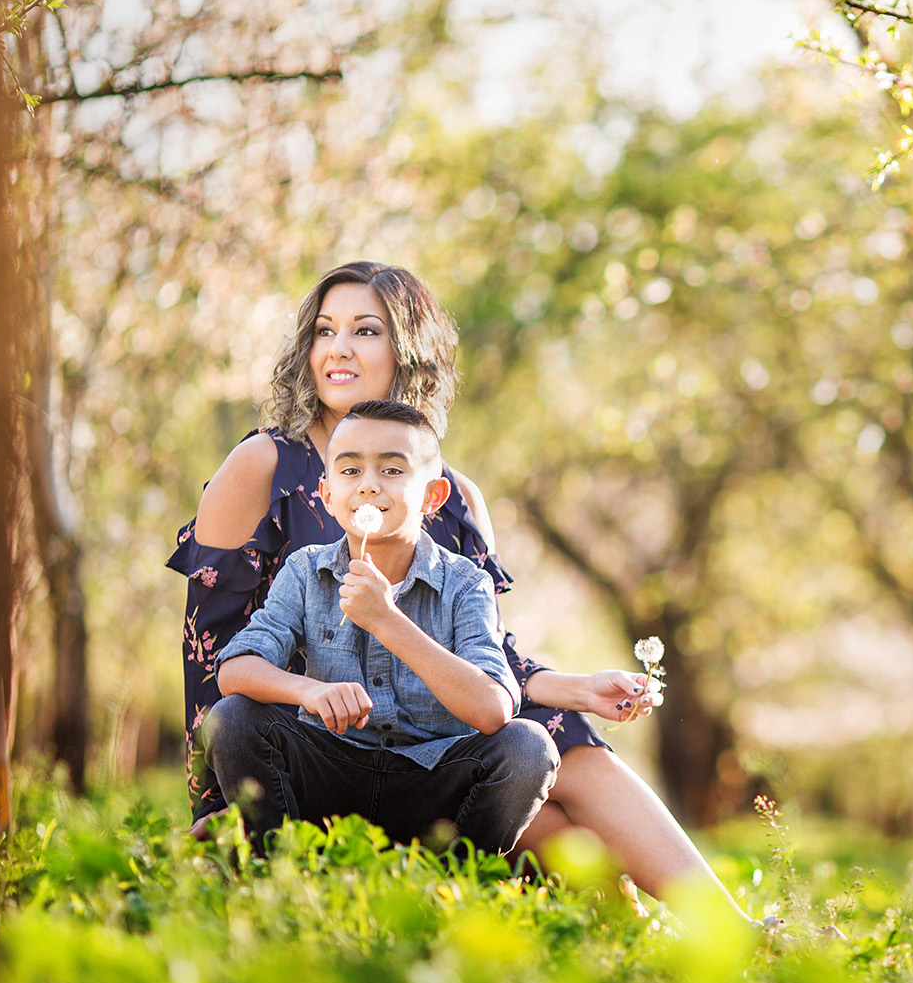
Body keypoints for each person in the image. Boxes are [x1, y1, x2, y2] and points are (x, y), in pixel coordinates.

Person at [170, 260, 752, 920]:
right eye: (325, 329)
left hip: (429, 757)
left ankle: (724, 933)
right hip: (308, 756)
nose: (337, 348)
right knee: (555, 822)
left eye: (366, 330)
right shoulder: (263, 466)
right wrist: (218, 798)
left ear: (409, 350)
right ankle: (656, 931)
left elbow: (486, 661)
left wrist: (573, 686)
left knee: (559, 743)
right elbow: (211, 652)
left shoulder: (454, 498)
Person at [207, 399, 556, 854]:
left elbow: (494, 709)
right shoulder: (305, 570)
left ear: (433, 497)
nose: (368, 486)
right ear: (328, 494)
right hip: (328, 777)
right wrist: (308, 691)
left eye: (392, 471)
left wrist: (387, 621)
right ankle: (281, 873)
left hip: (433, 785)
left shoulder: (467, 583)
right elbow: (234, 669)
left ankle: (450, 887)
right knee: (233, 718)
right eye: (350, 472)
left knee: (529, 747)